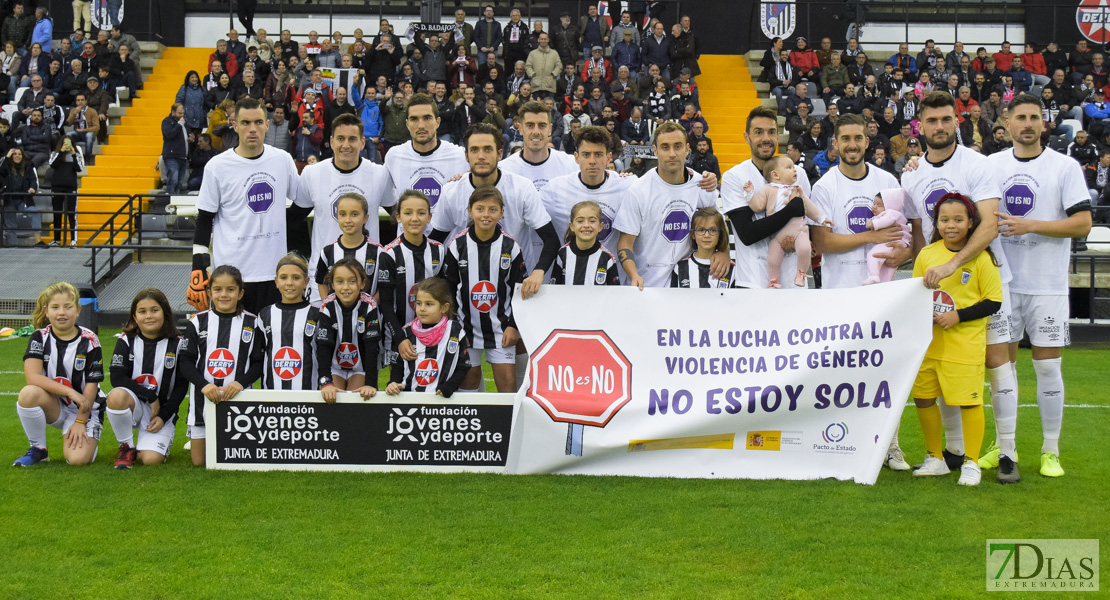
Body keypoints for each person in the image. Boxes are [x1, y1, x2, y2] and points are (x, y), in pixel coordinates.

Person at [978, 95, 1093, 482]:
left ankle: (1050, 450)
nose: (1028, 123)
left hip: (1047, 285)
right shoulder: (990, 166)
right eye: (1020, 117)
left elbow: (1082, 224)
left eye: (1034, 117)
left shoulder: (1064, 167)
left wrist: (1032, 225)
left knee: (1046, 367)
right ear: (1006, 123)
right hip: (1003, 283)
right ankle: (1004, 447)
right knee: (1001, 370)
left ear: (1044, 123)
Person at [901, 91, 1008, 473]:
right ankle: (950, 453)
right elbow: (917, 231)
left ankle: (1005, 451)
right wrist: (923, 267)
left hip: (979, 277)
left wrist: (953, 264)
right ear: (921, 126)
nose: (940, 127)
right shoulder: (911, 173)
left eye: (946, 119)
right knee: (936, 376)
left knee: (994, 365)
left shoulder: (977, 164)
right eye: (932, 121)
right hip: (938, 286)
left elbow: (990, 223)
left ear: (956, 121)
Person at [910, 193, 1001, 486]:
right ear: (936, 223)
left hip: (964, 347)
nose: (951, 225)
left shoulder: (981, 257)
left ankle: (971, 462)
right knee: (923, 399)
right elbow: (915, 295)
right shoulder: (927, 255)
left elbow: (993, 302)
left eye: (958, 220)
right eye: (945, 220)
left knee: (969, 403)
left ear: (970, 222)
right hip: (929, 346)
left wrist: (957, 316)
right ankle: (935, 458)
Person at [189, 98, 302, 315]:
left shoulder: (282, 160)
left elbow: (302, 202)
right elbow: (204, 218)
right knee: (231, 345)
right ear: (235, 125)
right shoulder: (217, 166)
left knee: (271, 346)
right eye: (246, 123)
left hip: (274, 275)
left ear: (267, 125)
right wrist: (198, 268)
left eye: (259, 122)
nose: (253, 129)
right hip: (231, 278)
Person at [430, 122, 559, 285]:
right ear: (466, 155)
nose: (481, 156)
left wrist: (538, 272)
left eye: (487, 149)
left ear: (499, 154)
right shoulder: (451, 191)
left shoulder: (522, 188)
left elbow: (551, 239)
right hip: (466, 285)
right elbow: (434, 243)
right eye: (474, 150)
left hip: (514, 284)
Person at [290, 113, 395, 296]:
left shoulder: (379, 174)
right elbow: (293, 219)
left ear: (362, 143)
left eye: (352, 139)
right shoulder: (312, 174)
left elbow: (398, 217)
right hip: (323, 279)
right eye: (340, 139)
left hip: (366, 278)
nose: (346, 145)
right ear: (331, 141)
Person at [440, 187, 526, 393]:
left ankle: (508, 425)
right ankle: (475, 426)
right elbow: (448, 291)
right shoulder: (456, 245)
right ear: (470, 211)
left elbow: (518, 291)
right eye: (480, 209)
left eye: (492, 209)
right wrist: (454, 327)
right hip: (465, 329)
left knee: (507, 388)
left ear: (502, 212)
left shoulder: (511, 247)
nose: (486, 214)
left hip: (501, 329)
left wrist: (513, 326)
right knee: (468, 386)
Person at [615, 122, 720, 289]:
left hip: (691, 286)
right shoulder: (638, 191)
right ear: (655, 151)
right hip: (648, 285)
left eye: (677, 146)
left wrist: (724, 252)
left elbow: (719, 229)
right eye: (665, 147)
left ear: (687, 149)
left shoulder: (703, 185)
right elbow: (625, 243)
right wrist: (633, 275)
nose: (672, 153)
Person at [12, 282, 105, 467]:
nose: (61, 312)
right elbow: (33, 377)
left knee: (77, 460)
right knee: (28, 393)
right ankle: (39, 449)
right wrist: (69, 392)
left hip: (86, 408)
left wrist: (80, 421)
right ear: (46, 311)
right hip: (56, 405)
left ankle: (87, 434)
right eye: (55, 307)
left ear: (78, 310)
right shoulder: (39, 337)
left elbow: (92, 386)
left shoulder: (90, 339)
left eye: (67, 307)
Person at [179, 265, 263, 467]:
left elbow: (259, 363)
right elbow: (185, 361)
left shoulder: (253, 323)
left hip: (239, 398)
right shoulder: (197, 322)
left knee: (236, 458)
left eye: (230, 289)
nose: (223, 295)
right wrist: (204, 385)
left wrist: (240, 383)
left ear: (240, 293)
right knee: (200, 462)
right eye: (217, 290)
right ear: (209, 293)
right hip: (203, 399)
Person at [105, 289, 185, 469]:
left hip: (160, 412)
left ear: (165, 312)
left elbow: (181, 386)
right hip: (134, 405)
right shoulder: (126, 340)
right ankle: (126, 446)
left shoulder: (178, 344)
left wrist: (164, 416)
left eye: (154, 310)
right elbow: (117, 377)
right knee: (116, 395)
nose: (148, 316)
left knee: (150, 460)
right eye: (142, 311)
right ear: (134, 316)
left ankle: (148, 443)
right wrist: (150, 396)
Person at [377, 191, 445, 365]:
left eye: (421, 213)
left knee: (429, 382)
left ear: (429, 217)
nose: (415, 218)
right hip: (398, 334)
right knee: (399, 386)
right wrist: (399, 338)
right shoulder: (389, 254)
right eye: (408, 213)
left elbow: (445, 295)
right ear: (398, 217)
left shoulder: (439, 250)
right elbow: (385, 302)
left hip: (433, 333)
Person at [748, 156, 828, 287]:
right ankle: (774, 282)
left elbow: (808, 206)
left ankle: (801, 274)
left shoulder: (797, 189)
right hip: (777, 235)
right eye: (789, 167)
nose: (794, 170)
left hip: (799, 231)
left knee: (804, 249)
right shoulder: (768, 189)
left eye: (794, 167)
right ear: (775, 174)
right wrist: (750, 194)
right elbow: (758, 206)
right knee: (773, 260)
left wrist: (821, 218)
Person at [383, 94, 469, 216]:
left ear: (438, 122)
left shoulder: (460, 156)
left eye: (427, 118)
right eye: (414, 119)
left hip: (449, 236)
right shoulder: (394, 156)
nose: (421, 125)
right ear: (407, 124)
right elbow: (386, 199)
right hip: (408, 235)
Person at [385, 277, 471, 397]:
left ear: (444, 308)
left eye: (429, 304)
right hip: (409, 399)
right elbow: (397, 366)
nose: (422, 309)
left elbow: (464, 365)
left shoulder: (455, 331)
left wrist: (450, 386)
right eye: (419, 303)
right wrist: (393, 383)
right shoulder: (407, 333)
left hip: (442, 401)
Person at [315, 258, 380, 401]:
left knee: (355, 400)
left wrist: (370, 384)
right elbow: (323, 347)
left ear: (362, 283)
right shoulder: (327, 306)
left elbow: (371, 348)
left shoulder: (369, 305)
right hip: (335, 367)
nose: (346, 287)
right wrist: (326, 382)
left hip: (360, 367)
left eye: (352, 281)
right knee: (333, 398)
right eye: (340, 281)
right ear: (332, 284)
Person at [256, 253, 319, 391]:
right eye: (283, 278)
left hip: (309, 395)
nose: (289, 283)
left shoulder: (317, 315)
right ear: (276, 281)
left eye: (296, 278)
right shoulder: (264, 315)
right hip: (272, 397)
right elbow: (258, 357)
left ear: (306, 281)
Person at [314, 192, 381, 301]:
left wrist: (370, 308)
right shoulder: (328, 251)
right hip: (336, 317)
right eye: (343, 214)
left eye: (354, 214)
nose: (348, 220)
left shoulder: (378, 252)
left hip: (370, 317)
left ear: (365, 218)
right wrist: (328, 306)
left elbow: (384, 287)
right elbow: (321, 283)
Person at [670, 207, 737, 288]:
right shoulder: (680, 267)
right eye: (701, 230)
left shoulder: (731, 269)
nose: (707, 235)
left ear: (720, 234)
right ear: (693, 234)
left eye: (713, 230)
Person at [863, 189, 911, 285]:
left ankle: (873, 276)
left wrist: (873, 223)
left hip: (890, 243)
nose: (874, 207)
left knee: (872, 255)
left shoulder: (891, 213)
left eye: (879, 205)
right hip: (895, 243)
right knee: (888, 268)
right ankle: (885, 282)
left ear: (890, 206)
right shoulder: (892, 214)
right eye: (874, 204)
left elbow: (886, 221)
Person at [48, 136, 83, 246]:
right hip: (57, 187)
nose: (66, 145)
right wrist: (60, 152)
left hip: (71, 188)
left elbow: (80, 168)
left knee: (72, 214)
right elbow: (52, 165)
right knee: (57, 214)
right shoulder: (55, 153)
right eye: (64, 143)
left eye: (68, 143)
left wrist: (73, 153)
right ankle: (57, 240)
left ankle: (73, 240)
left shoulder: (76, 155)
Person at [0, 147, 38, 246]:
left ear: (23, 156)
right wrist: (6, 156)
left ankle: (38, 242)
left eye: (19, 154)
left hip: (24, 199)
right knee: (11, 224)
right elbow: (0, 170)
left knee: (35, 213)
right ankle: (12, 245)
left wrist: (33, 188)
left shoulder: (28, 166)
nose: (17, 156)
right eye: (14, 154)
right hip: (9, 199)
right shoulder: (6, 167)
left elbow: (34, 181)